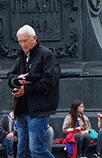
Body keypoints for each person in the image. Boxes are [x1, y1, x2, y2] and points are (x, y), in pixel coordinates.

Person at [7, 24, 60, 158]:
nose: (22, 44)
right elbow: (10, 77)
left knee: (36, 149)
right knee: (22, 151)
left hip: (39, 109)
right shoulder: (21, 57)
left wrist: (26, 89)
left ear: (34, 38)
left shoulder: (46, 54)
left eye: (25, 40)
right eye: (20, 41)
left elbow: (50, 80)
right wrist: (16, 81)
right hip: (21, 109)